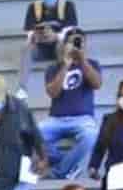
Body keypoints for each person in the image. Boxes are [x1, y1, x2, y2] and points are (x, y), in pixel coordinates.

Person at [39, 29, 102, 180]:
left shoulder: (92, 64)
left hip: (83, 119)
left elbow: (96, 84)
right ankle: (70, 165)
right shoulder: (53, 68)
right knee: (31, 135)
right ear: (65, 45)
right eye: (72, 42)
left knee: (91, 136)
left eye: (80, 42)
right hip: (56, 119)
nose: (76, 46)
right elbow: (52, 93)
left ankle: (60, 170)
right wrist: (65, 65)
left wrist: (82, 61)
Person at [18, 0, 78, 100]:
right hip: (41, 46)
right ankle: (22, 88)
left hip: (58, 45)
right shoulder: (33, 7)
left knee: (64, 46)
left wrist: (56, 36)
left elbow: (71, 28)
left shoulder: (67, 6)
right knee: (26, 47)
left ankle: (63, 85)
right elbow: (29, 30)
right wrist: (36, 36)